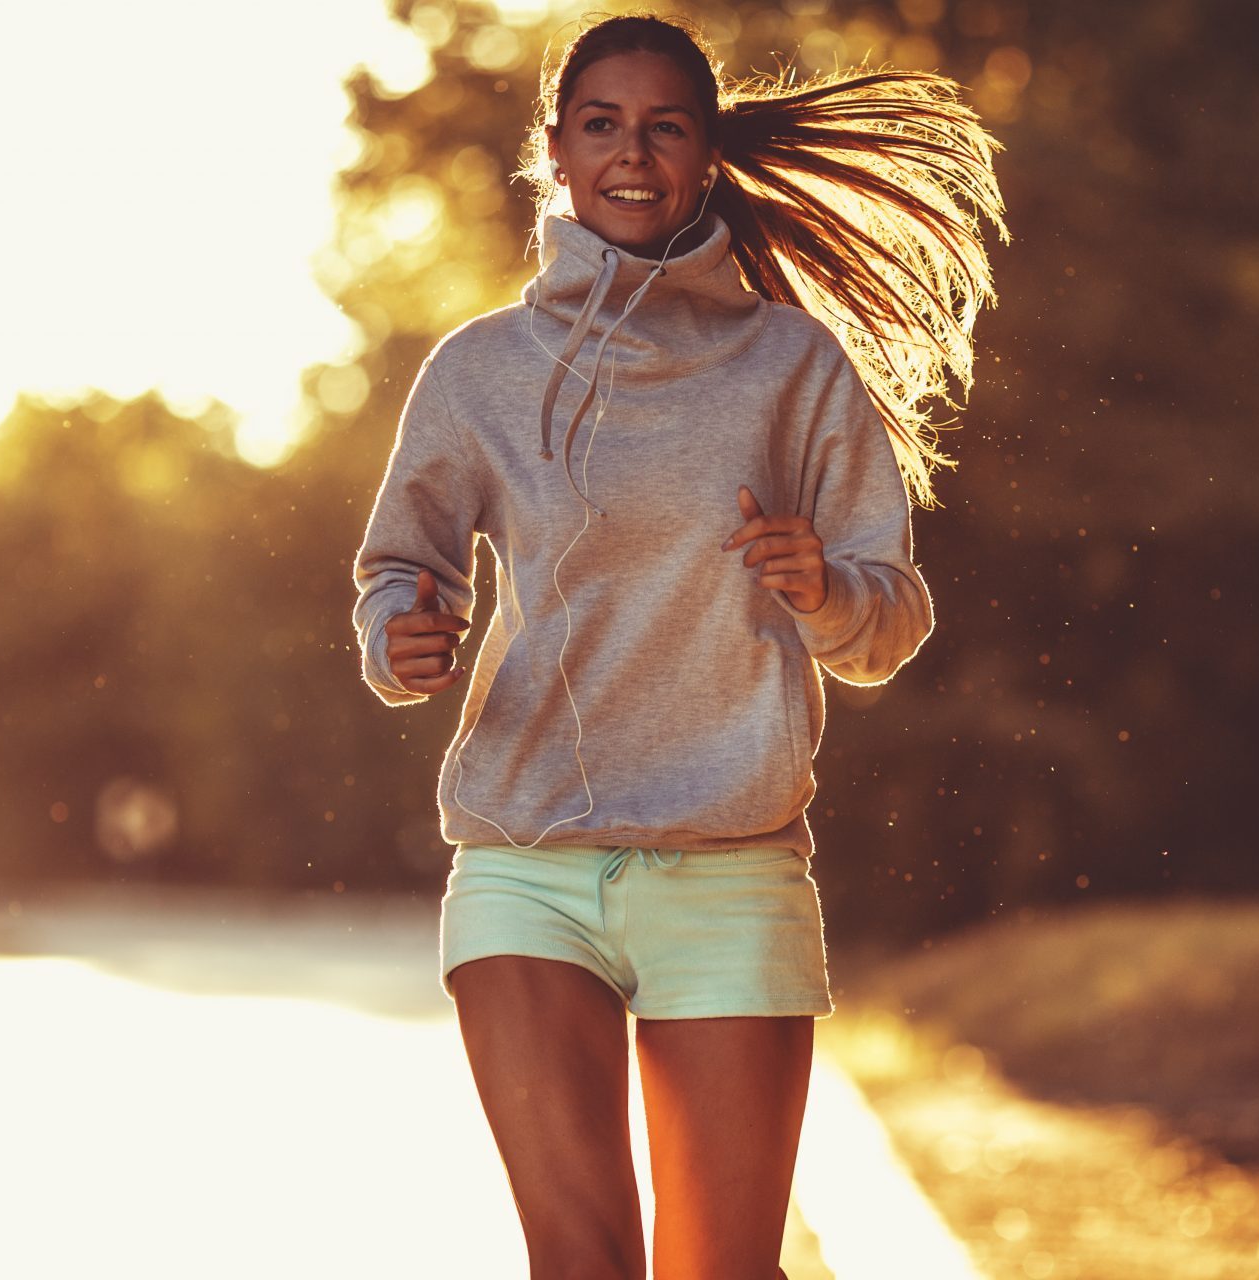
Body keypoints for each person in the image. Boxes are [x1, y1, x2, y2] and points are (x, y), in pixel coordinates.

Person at [351, 13, 1006, 1277]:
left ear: (705, 156)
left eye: (664, 128)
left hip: (731, 868)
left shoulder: (790, 367)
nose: (632, 155)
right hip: (524, 865)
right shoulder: (480, 370)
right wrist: (404, 634)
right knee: (580, 1259)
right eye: (601, 125)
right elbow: (398, 567)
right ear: (555, 150)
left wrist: (822, 591)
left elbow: (890, 621)